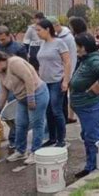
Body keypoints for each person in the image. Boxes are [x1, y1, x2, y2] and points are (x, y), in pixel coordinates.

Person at [0, 51, 49, 165]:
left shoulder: (14, 63)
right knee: (20, 124)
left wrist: (31, 98)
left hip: (37, 94)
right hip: (21, 99)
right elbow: (3, 93)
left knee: (37, 124)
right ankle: (20, 151)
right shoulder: (1, 74)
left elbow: (28, 78)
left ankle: (36, 152)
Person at [70, 33, 99, 178]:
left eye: (77, 46)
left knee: (92, 137)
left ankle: (94, 168)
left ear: (83, 47)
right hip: (83, 107)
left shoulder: (93, 60)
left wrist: (97, 84)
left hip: (90, 106)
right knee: (87, 135)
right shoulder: (87, 59)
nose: (75, 49)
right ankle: (92, 164)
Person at [36, 19, 71, 148]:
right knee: (48, 111)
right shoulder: (43, 44)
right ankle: (52, 138)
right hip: (44, 82)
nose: (37, 33)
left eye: (39, 30)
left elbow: (67, 62)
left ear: (47, 29)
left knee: (56, 110)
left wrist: (65, 80)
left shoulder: (59, 43)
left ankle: (61, 140)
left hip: (57, 81)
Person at [48, 16, 78, 124]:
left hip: (67, 71)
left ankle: (67, 117)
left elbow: (71, 57)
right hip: (58, 72)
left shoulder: (68, 38)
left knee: (66, 96)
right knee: (63, 97)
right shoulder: (54, 37)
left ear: (57, 25)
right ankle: (65, 118)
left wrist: (69, 75)